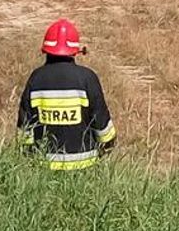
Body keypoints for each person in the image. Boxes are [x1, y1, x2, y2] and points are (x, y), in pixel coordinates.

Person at [17, 18, 116, 170]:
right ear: (76, 51)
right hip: (84, 170)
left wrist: (32, 162)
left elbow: (24, 132)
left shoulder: (35, 79)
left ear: (45, 50)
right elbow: (105, 131)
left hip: (44, 172)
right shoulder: (87, 78)